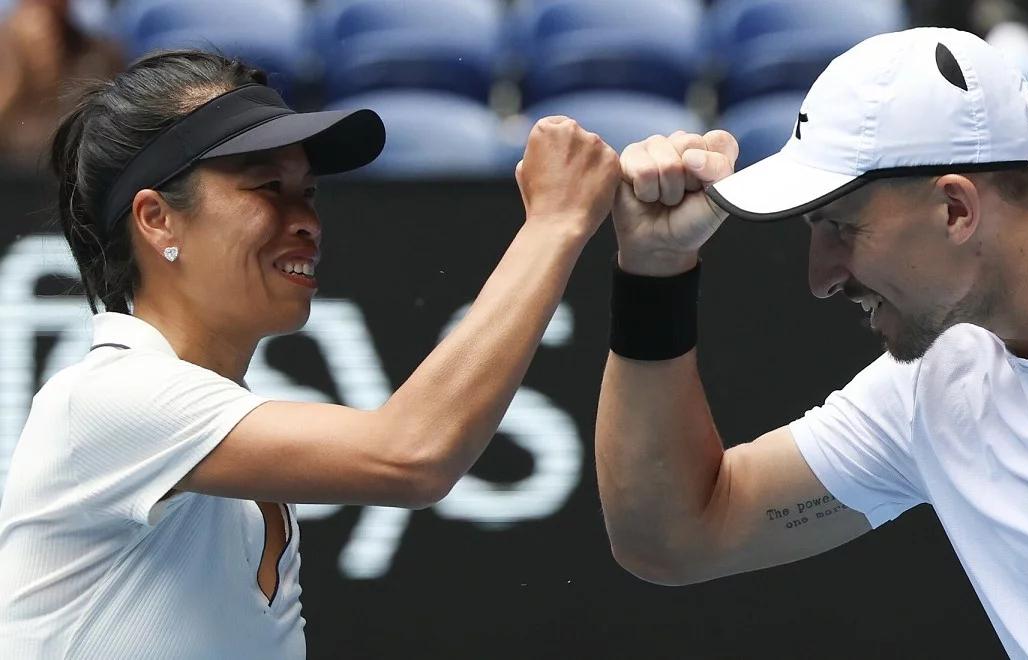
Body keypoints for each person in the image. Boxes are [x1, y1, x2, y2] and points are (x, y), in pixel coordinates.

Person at [596, 27, 1028, 658]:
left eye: (839, 228)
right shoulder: (928, 387)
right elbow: (673, 536)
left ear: (955, 210)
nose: (820, 277)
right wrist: (654, 268)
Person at [0, 50, 619, 658]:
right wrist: (555, 221)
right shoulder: (112, 398)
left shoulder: (222, 456)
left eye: (309, 193)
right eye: (269, 187)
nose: (306, 221)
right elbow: (414, 454)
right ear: (158, 220)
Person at [0, 0, 123, 171]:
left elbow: (96, 142)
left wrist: (48, 78)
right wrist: (17, 74)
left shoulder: (99, 56)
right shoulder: (6, 52)